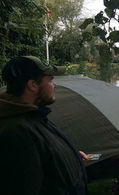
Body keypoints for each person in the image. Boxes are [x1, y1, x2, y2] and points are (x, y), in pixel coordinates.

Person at [0, 56, 88, 195]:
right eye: (51, 80)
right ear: (33, 85)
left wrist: (69, 156)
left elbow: (43, 159)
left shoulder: (32, 116)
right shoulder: (16, 133)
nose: (55, 85)